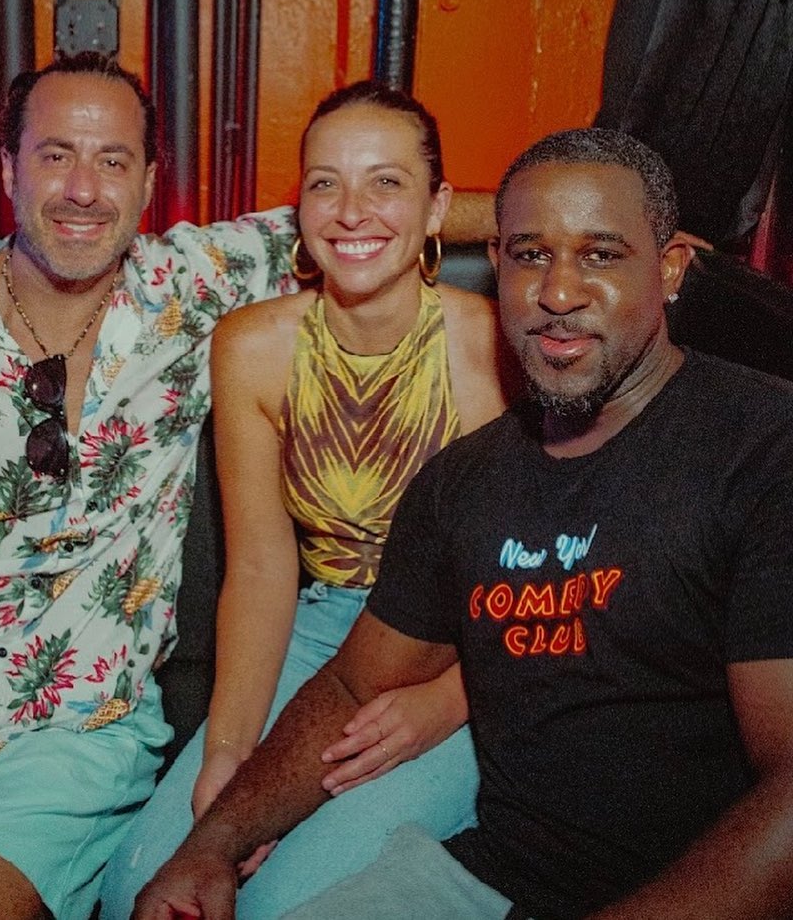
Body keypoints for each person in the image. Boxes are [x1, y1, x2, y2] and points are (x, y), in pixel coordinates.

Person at [0, 54, 495, 920]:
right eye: (56, 154)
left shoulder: (194, 285)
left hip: (61, 728)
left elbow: (370, 214)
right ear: (9, 168)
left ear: (147, 184)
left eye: (112, 160)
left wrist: (572, 232)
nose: (83, 189)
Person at [132, 128, 793, 920]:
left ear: (671, 268)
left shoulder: (764, 448)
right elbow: (351, 685)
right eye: (531, 255)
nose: (559, 292)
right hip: (492, 880)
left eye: (601, 255)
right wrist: (211, 845)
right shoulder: (464, 481)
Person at [101, 83, 511, 919]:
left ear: (438, 207)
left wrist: (447, 703)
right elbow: (260, 568)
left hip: (468, 653)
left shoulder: (492, 346)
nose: (352, 211)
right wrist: (228, 752)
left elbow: (533, 582)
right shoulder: (253, 347)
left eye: (386, 182)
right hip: (320, 632)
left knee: (282, 902)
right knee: (139, 886)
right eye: (327, 183)